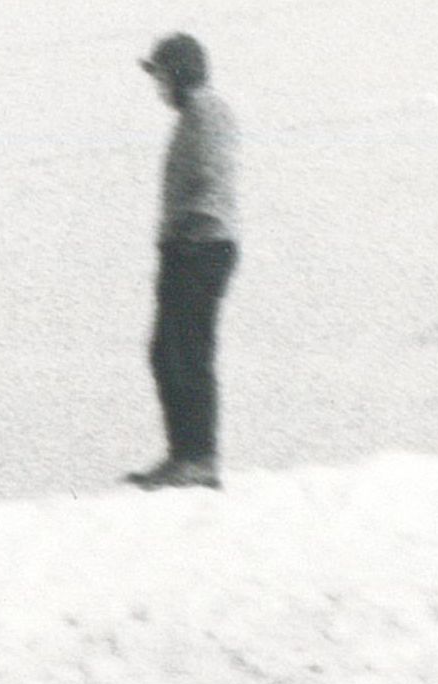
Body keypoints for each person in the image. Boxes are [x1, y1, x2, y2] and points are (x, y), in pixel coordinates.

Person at [132, 34, 240, 491]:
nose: (157, 86)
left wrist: (191, 232)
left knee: (185, 351)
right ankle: (186, 456)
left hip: (200, 244)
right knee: (169, 351)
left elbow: (213, 177)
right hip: (189, 245)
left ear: (179, 72)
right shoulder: (195, 114)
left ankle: (197, 458)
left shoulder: (207, 112)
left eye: (160, 74)